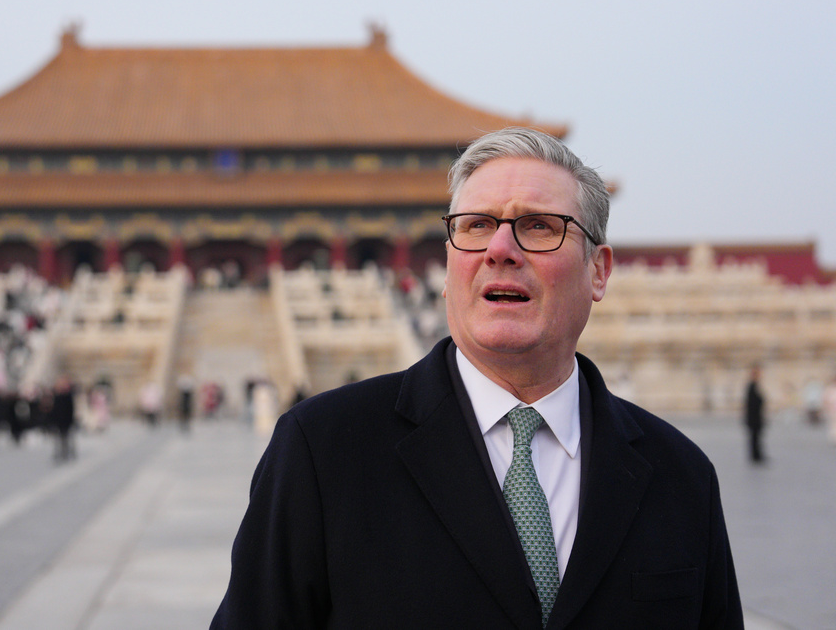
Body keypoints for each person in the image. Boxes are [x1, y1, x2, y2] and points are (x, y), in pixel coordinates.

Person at [212, 127, 742, 628]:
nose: (500, 250)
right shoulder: (323, 450)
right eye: (476, 226)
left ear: (598, 270)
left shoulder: (681, 475)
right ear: (447, 267)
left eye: (539, 226)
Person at [744, 364, 767, 464]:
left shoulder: (754, 386)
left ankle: (757, 455)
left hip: (756, 418)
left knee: (756, 438)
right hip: (754, 419)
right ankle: (755, 456)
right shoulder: (751, 387)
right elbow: (752, 403)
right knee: (754, 438)